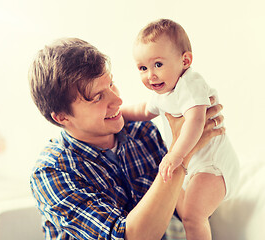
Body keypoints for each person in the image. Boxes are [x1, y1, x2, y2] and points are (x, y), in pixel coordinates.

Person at [28, 37, 225, 240]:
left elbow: (179, 207)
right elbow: (127, 237)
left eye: (111, 84)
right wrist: (181, 151)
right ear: (62, 117)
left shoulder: (142, 132)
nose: (118, 100)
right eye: (98, 97)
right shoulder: (51, 172)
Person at [121, 19, 240, 239]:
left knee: (193, 217)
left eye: (158, 64)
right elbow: (143, 110)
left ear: (185, 60)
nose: (150, 75)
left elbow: (196, 122)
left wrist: (175, 154)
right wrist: (119, 115)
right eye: (142, 68)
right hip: (192, 165)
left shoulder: (190, 84)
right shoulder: (164, 92)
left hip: (211, 165)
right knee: (184, 213)